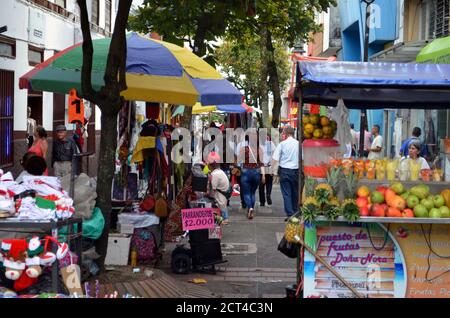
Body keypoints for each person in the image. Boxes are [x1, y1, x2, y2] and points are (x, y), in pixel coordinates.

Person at [272, 126, 299, 220]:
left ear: (286, 134)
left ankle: (290, 214)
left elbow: (275, 158)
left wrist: (273, 171)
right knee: (295, 193)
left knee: (286, 193)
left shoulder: (282, 144)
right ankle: (295, 212)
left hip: (284, 171)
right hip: (296, 171)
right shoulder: (298, 144)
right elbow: (302, 159)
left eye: (283, 133)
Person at [238, 131, 265, 220]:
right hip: (256, 172)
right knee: (253, 192)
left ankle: (250, 208)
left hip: (246, 171)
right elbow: (261, 164)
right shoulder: (259, 150)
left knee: (246, 193)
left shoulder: (243, 149)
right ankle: (251, 209)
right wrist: (263, 175)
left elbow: (239, 161)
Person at [207, 152, 230, 225]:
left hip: (220, 199)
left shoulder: (215, 175)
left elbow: (211, 190)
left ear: (211, 165)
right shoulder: (219, 172)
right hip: (223, 198)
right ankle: (224, 218)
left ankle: (222, 219)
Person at [259, 134, 275, 207]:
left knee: (261, 185)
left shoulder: (258, 145)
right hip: (269, 166)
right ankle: (268, 194)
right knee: (269, 183)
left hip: (261, 167)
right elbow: (274, 155)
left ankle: (262, 201)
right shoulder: (271, 144)